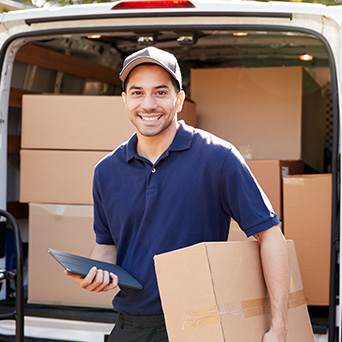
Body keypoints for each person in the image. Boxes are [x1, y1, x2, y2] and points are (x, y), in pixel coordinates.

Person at [66, 47, 289, 342]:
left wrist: (279, 328)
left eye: (160, 92)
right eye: (137, 93)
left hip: (199, 324)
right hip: (131, 327)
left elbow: (270, 235)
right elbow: (107, 245)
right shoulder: (106, 171)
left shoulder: (217, 158)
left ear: (179, 100)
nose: (148, 104)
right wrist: (93, 274)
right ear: (125, 100)